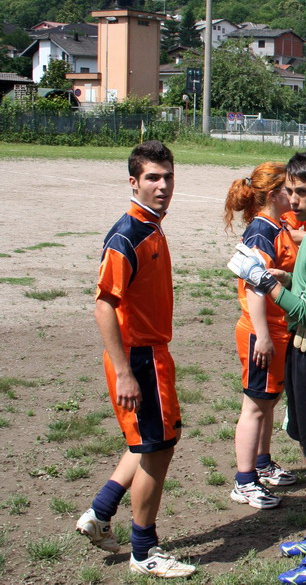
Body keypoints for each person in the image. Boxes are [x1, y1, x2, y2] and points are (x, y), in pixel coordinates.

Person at [228, 151, 306, 583]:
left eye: (303, 192)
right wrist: (285, 279)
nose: (295, 199)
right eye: (290, 191)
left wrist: (265, 281)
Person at [75, 140, 196, 578]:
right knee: (158, 450)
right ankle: (144, 552)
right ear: (134, 182)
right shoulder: (128, 235)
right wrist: (125, 371)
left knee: (146, 443)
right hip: (139, 358)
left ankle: (100, 513)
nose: (163, 185)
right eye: (152, 177)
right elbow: (103, 305)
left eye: (168, 176)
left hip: (150, 354)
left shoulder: (152, 227)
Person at [223, 162, 299, 510]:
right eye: (289, 189)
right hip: (261, 331)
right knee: (254, 406)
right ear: (272, 194)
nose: (294, 195)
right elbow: (254, 286)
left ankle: (263, 463)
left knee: (268, 400)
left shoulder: (276, 225)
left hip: (277, 329)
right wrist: (264, 336)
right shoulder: (261, 231)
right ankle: (244, 481)